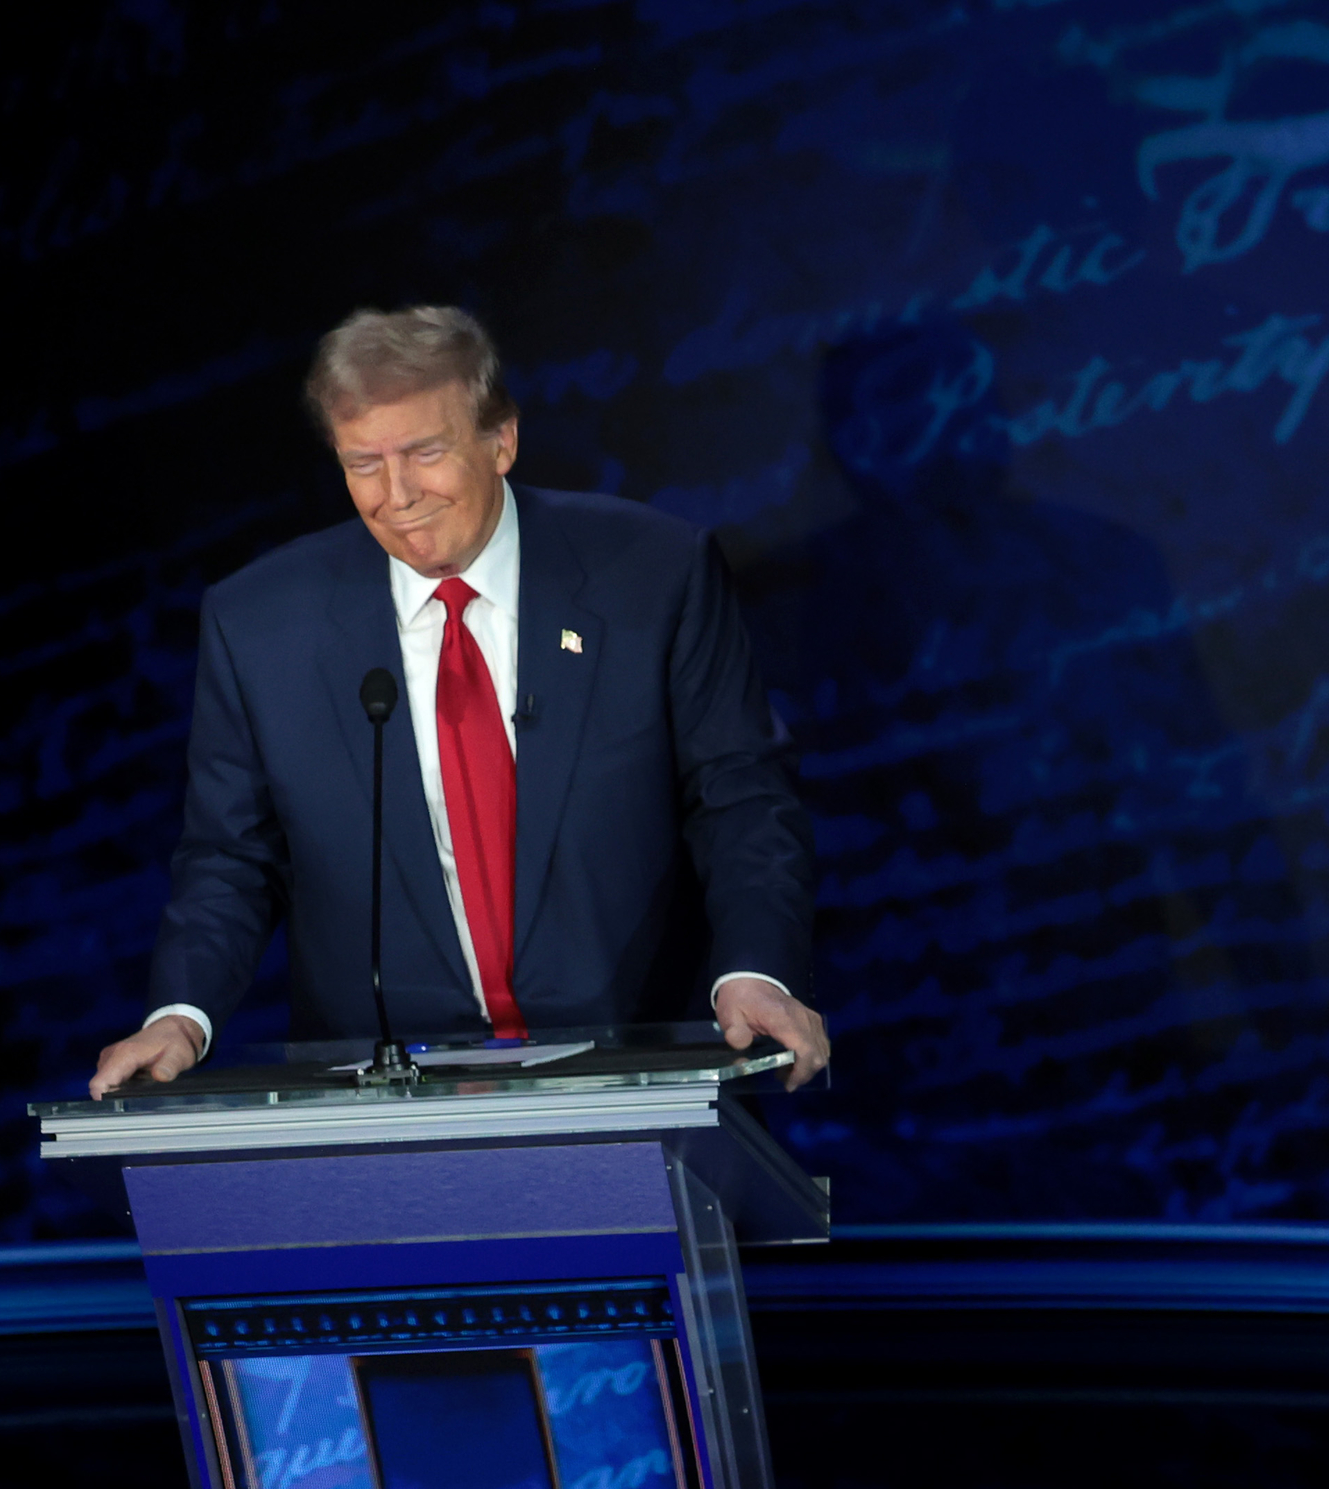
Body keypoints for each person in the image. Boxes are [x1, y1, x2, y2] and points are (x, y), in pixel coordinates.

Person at [89, 306, 830, 1096]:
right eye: (362, 463)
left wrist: (756, 971)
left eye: (424, 453)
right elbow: (230, 857)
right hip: (383, 1100)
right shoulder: (260, 625)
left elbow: (740, 798)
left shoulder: (654, 574)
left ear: (501, 439)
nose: (396, 494)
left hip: (638, 1069)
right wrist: (182, 1013)